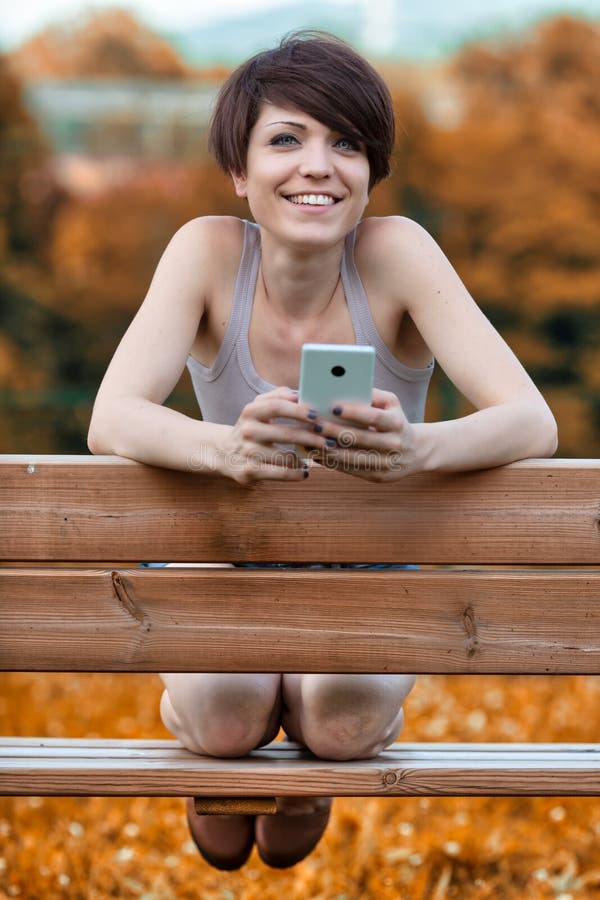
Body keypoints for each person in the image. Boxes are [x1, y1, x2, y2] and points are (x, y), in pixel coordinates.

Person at [87, 30, 558, 870]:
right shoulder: (206, 251)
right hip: (226, 564)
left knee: (339, 723)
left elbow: (530, 420)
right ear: (240, 172)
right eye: (286, 139)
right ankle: (221, 746)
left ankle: (314, 752)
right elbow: (113, 415)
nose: (319, 166)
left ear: (372, 171)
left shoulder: (398, 253)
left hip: (367, 576)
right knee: (226, 717)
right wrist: (225, 447)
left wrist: (419, 449)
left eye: (347, 143)